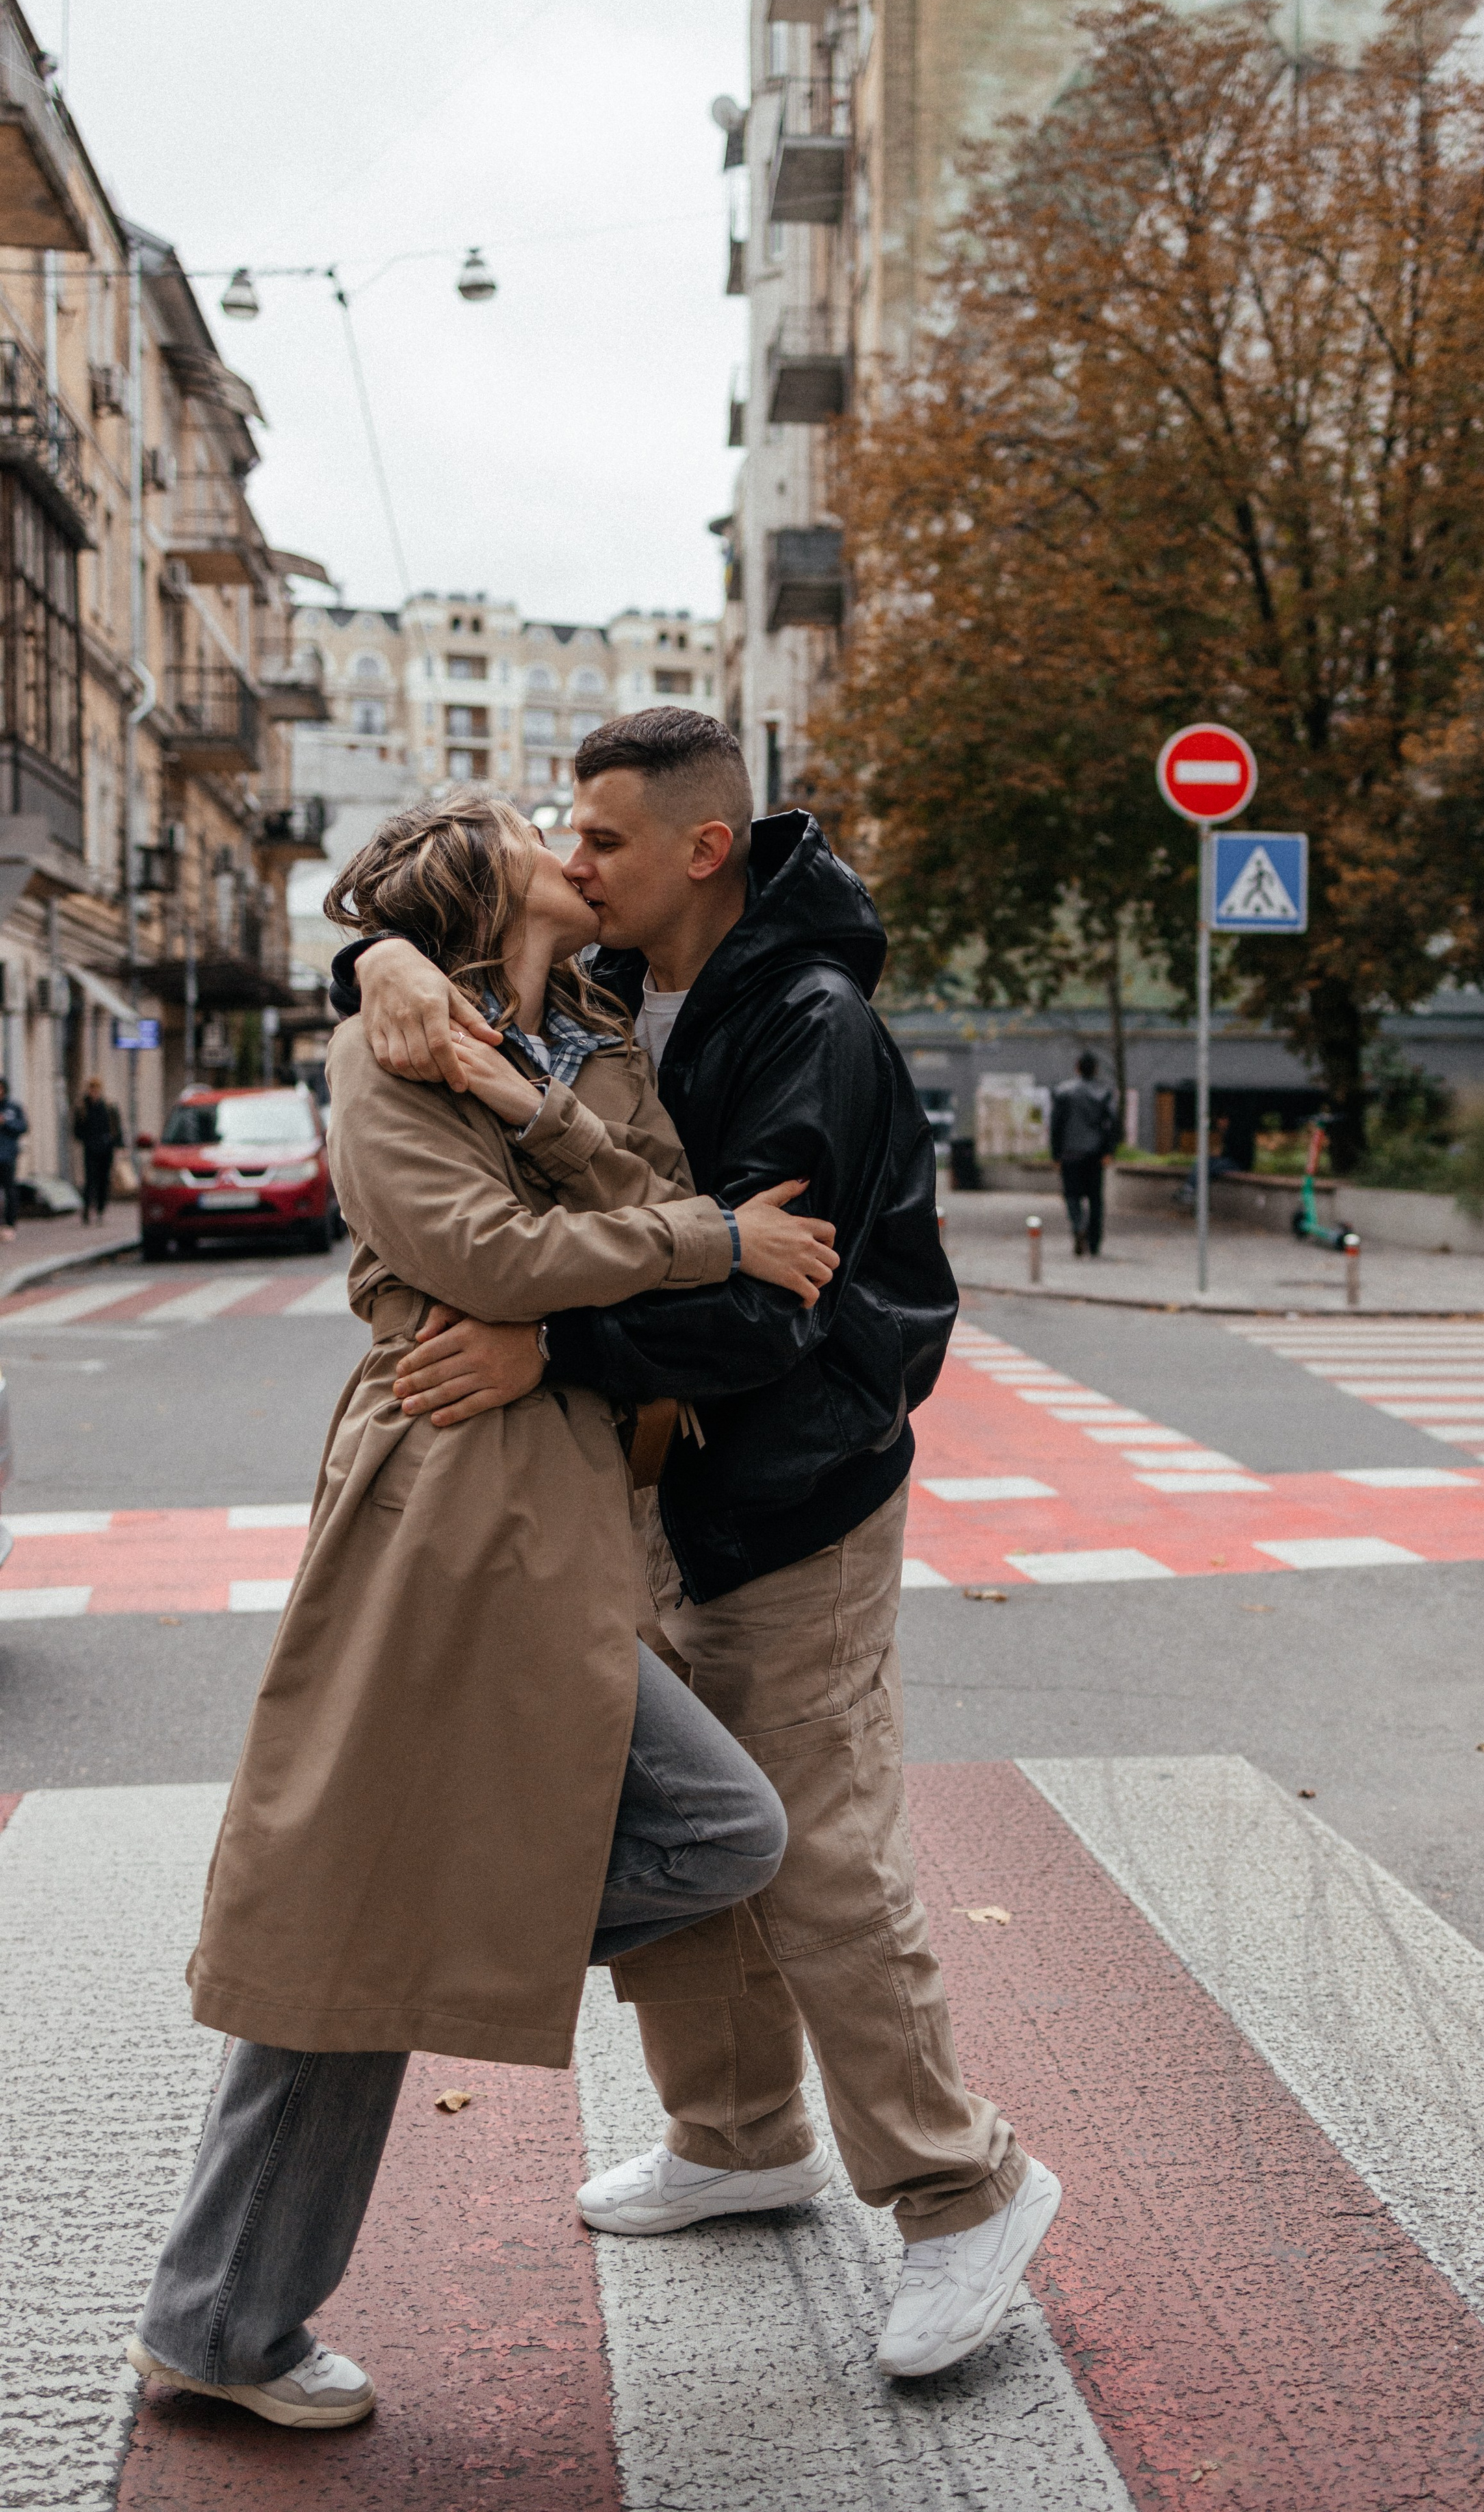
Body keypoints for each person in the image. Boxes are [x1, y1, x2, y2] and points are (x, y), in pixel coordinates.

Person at [339, 707, 1060, 2383]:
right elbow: (433, 943)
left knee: (814, 1848)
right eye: (566, 834)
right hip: (646, 1479)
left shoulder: (808, 1023)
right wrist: (375, 957)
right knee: (667, 1816)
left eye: (600, 836)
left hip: (792, 1484)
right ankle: (737, 2136)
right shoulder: (607, 984)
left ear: (701, 846)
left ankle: (962, 2189)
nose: (572, 859)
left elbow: (768, 1295)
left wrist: (546, 1348)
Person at [126, 788, 841, 2433]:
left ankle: (242, 2274)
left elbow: (638, 1198)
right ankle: (216, 2320)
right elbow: (483, 1256)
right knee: (350, 1913)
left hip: (563, 1490)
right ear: (477, 875)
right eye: (538, 829)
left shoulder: (589, 1036)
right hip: (442, 1490)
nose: (570, 849)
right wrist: (701, 1237)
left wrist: (560, 1123)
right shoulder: (385, 1046)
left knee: (703, 1832)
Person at [1049, 1051, 1119, 1258]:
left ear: (1077, 1067)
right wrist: (1109, 1150)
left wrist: (1056, 1154)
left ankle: (1078, 1226)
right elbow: (1112, 1123)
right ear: (1096, 1069)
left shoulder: (1064, 1092)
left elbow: (1056, 1125)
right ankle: (1094, 1242)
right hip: (1095, 1154)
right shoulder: (1104, 1092)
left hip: (1070, 1153)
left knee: (1072, 1196)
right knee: (1095, 1199)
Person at [74, 1077, 122, 1223]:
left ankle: (100, 1209)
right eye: (92, 1089)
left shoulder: (108, 1107)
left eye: (96, 1090)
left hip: (106, 1148)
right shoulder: (83, 1108)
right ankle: (87, 1209)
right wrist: (87, 1139)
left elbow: (116, 1128)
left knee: (103, 1180)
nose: (94, 1092)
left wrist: (117, 1144)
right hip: (91, 1148)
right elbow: (77, 1130)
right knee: (90, 1180)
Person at [0, 1076, 27, 1241]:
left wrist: (5, 1123)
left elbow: (23, 1127)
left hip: (8, 1156)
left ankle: (10, 1224)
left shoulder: (13, 1107)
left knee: (10, 1190)